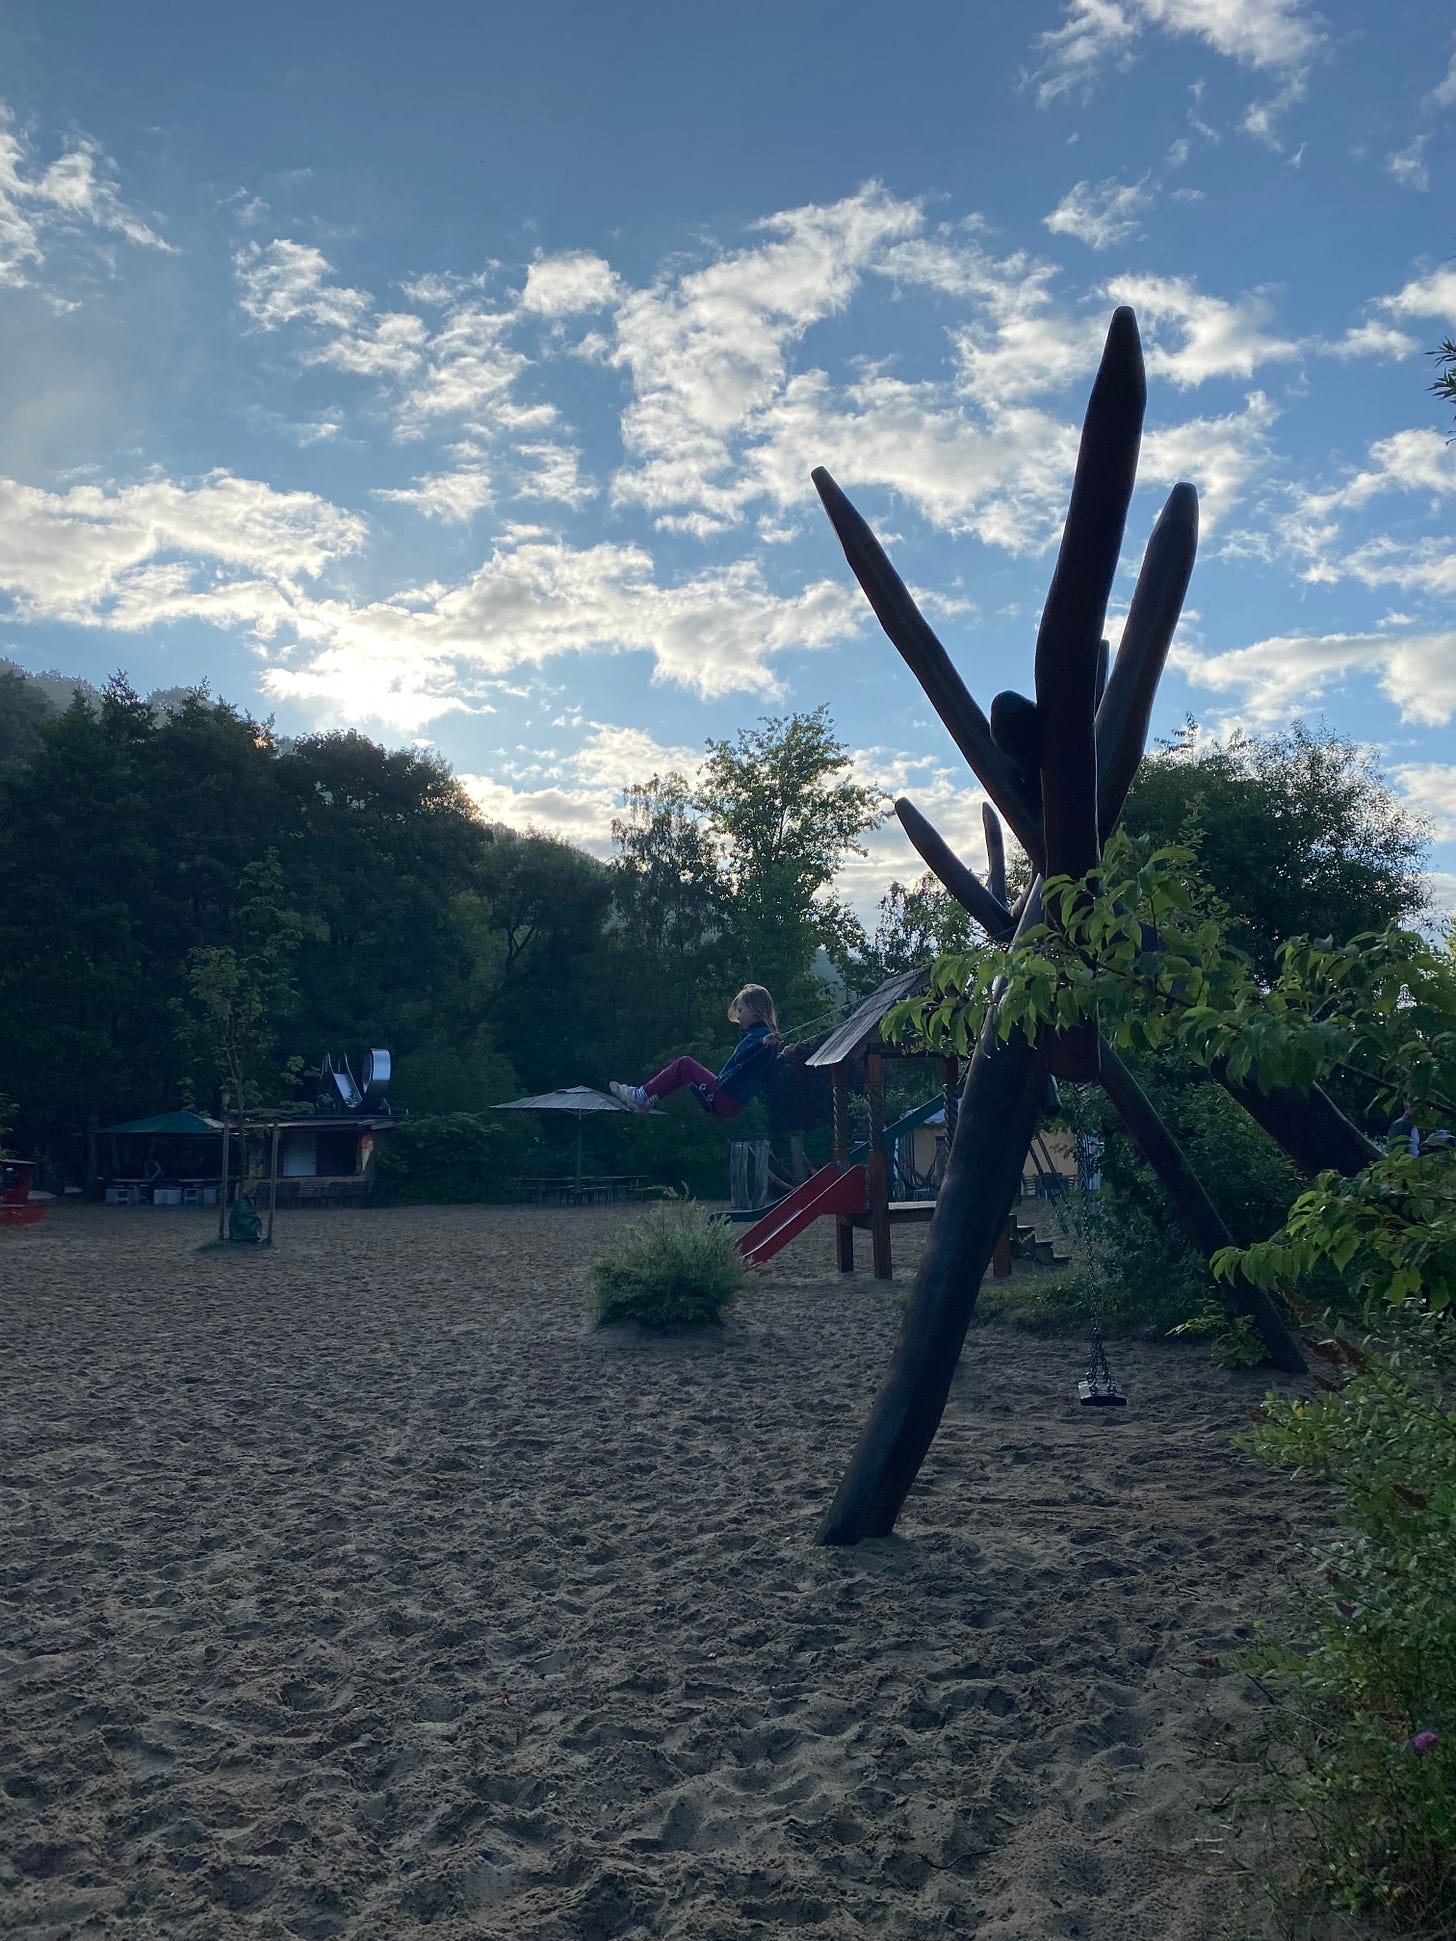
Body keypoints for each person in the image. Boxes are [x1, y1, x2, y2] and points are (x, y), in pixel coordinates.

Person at [611, 986, 782, 1121]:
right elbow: (767, 1075)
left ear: (754, 1009)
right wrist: (783, 1057)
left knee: (684, 1064)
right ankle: (647, 1100)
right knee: (682, 1072)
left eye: (740, 1010)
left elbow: (741, 1058)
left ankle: (639, 1096)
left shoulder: (761, 1038)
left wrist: (760, 1043)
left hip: (724, 1096)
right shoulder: (770, 1040)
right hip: (734, 1105)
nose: (738, 1017)